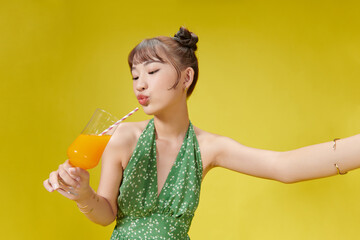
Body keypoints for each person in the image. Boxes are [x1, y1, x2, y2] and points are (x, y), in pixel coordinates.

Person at [43, 26, 360, 239]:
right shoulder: (123, 138)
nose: (140, 83)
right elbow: (105, 214)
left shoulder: (208, 148)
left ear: (186, 77)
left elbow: (284, 166)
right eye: (135, 75)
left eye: (152, 71)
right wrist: (83, 194)